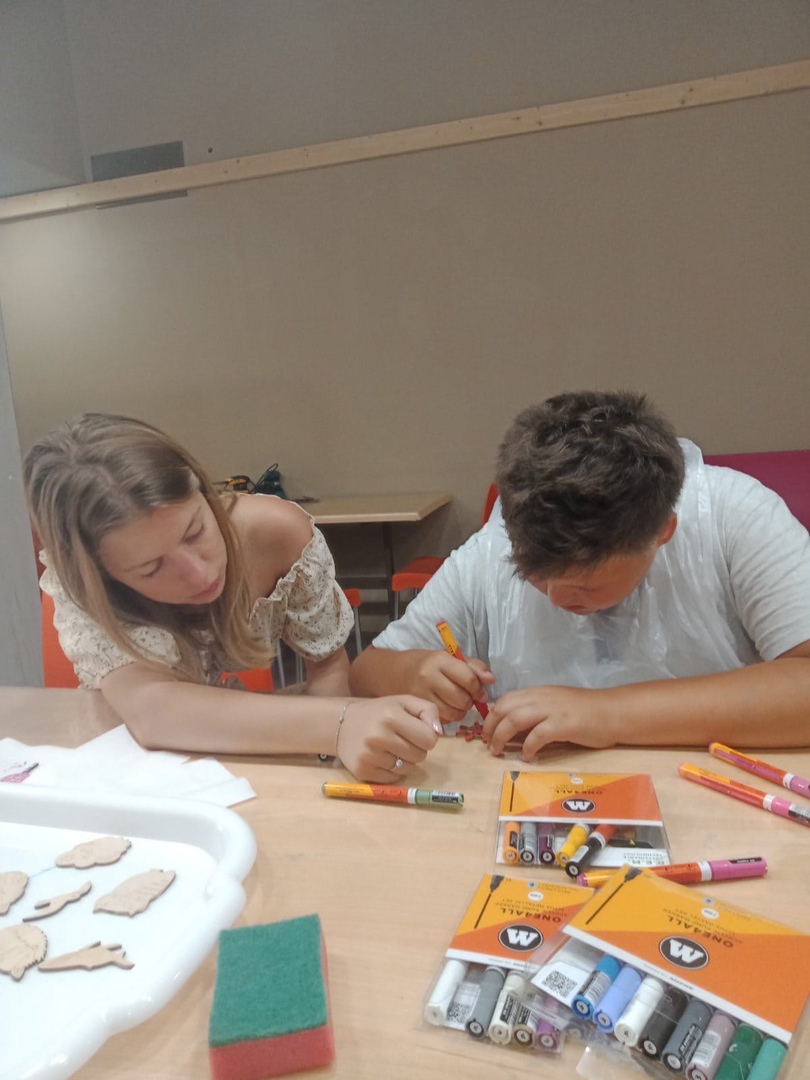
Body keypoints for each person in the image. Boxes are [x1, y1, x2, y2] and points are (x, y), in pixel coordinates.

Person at [350, 390, 810, 756]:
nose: (554, 597)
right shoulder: (490, 551)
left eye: (586, 585)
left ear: (661, 532)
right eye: (532, 573)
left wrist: (607, 714)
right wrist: (413, 672)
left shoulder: (734, 517)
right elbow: (366, 673)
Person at [25, 413, 440, 781]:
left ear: (205, 491)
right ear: (100, 576)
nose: (199, 573)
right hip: (138, 769)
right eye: (151, 568)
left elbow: (328, 665)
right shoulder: (83, 584)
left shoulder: (277, 532)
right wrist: (340, 724)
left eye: (196, 531)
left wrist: (337, 751)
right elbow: (155, 711)